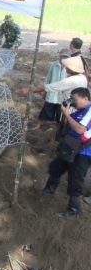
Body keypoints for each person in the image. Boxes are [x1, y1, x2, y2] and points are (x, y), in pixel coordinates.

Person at [41, 87, 91, 217]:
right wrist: (66, 111)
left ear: (85, 98)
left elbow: (80, 129)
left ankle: (74, 209)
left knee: (75, 179)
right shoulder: (80, 111)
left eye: (75, 99)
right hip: (69, 147)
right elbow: (67, 123)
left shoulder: (90, 111)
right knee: (55, 168)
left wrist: (67, 113)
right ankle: (49, 189)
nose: (73, 102)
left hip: (83, 152)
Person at [18, 56, 88, 100]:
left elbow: (49, 87)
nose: (66, 67)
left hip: (70, 109)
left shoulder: (71, 81)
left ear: (72, 69)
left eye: (68, 66)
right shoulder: (83, 77)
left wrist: (29, 90)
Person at [36, 49, 71, 129]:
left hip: (62, 95)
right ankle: (37, 126)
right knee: (45, 110)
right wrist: (45, 91)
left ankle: (58, 128)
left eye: (66, 57)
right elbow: (48, 78)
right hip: (52, 92)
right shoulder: (54, 65)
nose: (64, 58)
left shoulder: (69, 67)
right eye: (63, 56)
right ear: (59, 56)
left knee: (60, 114)